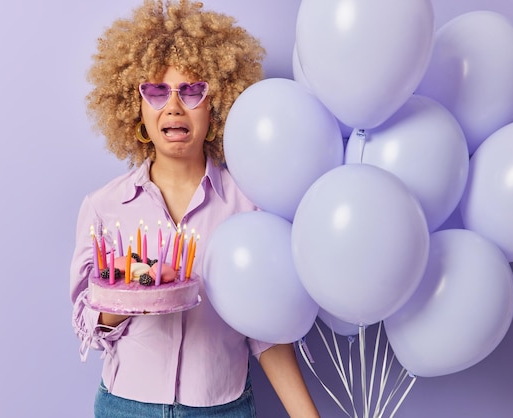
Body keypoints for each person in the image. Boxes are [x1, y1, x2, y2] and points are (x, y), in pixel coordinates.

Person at [70, 0, 320, 417]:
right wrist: (134, 289)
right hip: (126, 408)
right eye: (155, 91)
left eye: (192, 90)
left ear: (216, 104)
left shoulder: (250, 206)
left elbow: (267, 329)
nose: (173, 106)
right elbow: (88, 324)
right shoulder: (105, 206)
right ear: (135, 106)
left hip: (221, 410)